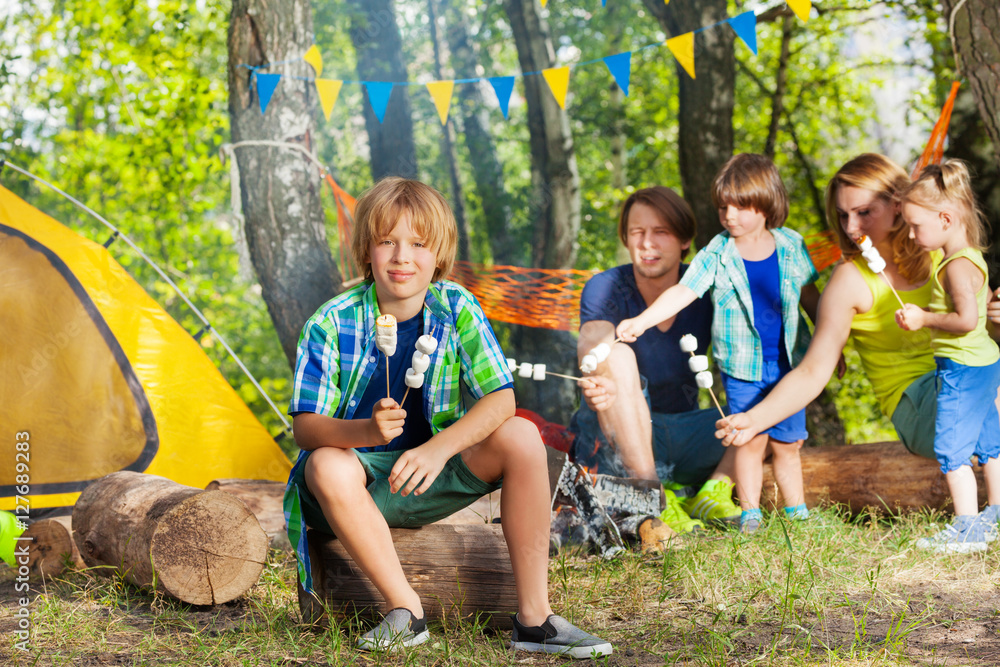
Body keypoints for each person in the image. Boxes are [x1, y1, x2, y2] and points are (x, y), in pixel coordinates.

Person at [283, 177, 612, 658]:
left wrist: (438, 449)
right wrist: (366, 431)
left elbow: (500, 398)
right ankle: (405, 610)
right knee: (326, 463)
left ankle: (535, 620)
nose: (402, 257)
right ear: (366, 251)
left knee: (521, 434)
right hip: (352, 487)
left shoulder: (456, 306)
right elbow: (306, 428)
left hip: (429, 474)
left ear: (438, 255)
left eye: (418, 244)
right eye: (387, 242)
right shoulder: (331, 321)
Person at [716, 153, 1000, 498]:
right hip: (918, 403)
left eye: (864, 212)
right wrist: (755, 419)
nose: (851, 228)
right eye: (843, 215)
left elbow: (980, 337)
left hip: (966, 379)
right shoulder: (849, 281)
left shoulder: (944, 252)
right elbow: (812, 372)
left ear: (899, 205)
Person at [616, 154, 821, 534]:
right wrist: (642, 321)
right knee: (748, 439)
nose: (729, 215)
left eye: (740, 206)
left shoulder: (791, 245)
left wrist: (830, 345)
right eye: (723, 206)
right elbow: (685, 289)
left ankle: (798, 513)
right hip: (743, 368)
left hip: (791, 366)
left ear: (767, 203)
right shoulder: (717, 252)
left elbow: (809, 296)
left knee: (789, 443)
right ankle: (750, 514)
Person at [568, 185, 741, 534]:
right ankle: (652, 497)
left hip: (686, 431)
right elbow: (595, 340)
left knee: (760, 403)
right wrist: (596, 368)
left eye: (660, 232)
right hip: (618, 434)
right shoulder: (606, 286)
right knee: (615, 354)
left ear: (684, 240)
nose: (647, 243)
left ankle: (711, 491)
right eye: (637, 233)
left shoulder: (706, 289)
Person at [895, 160, 1000, 553]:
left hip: (963, 368)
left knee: (953, 450)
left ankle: (968, 529)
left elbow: (966, 320)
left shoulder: (956, 267)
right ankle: (995, 514)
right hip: (985, 363)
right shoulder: (969, 256)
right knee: (990, 441)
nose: (910, 232)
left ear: (945, 217)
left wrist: (924, 318)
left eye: (915, 225)